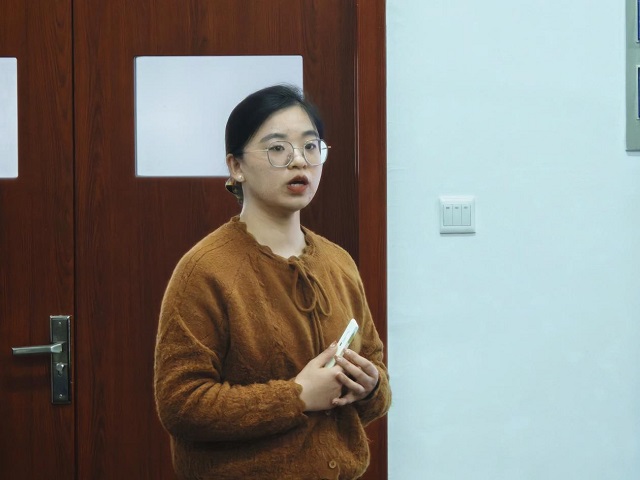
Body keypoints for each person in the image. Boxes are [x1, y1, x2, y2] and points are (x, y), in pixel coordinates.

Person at [154, 84, 391, 480]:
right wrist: (297, 396)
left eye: (311, 146)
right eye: (277, 148)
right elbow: (181, 405)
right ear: (236, 167)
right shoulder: (205, 270)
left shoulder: (339, 262)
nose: (299, 160)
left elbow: (376, 378)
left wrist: (369, 386)